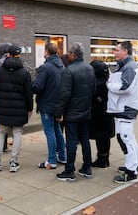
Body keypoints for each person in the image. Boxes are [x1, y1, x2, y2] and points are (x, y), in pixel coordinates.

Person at [0, 45, 33, 172]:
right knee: (17, 133)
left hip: (3, 107)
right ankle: (14, 162)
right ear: (19, 55)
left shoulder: (0, 70)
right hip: (20, 109)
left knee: (1, 132)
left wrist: (0, 95)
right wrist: (29, 108)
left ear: (8, 54)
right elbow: (28, 93)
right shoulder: (25, 72)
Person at [54, 42, 95, 181]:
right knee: (85, 139)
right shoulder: (90, 68)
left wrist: (58, 113)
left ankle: (69, 170)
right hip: (85, 110)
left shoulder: (69, 71)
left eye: (69, 53)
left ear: (72, 54)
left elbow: (63, 95)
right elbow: (93, 90)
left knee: (71, 141)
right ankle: (87, 167)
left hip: (72, 112)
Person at [107, 41, 138, 183]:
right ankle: (134, 165)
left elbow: (124, 87)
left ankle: (131, 171)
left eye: (117, 50)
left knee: (125, 138)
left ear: (125, 51)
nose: (115, 53)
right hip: (125, 108)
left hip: (126, 109)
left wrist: (109, 84)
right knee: (128, 138)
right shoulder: (127, 66)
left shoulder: (129, 67)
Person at [32, 43, 66, 169]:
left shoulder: (45, 67)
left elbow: (38, 87)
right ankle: (62, 156)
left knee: (50, 131)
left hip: (46, 104)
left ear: (46, 52)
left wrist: (32, 84)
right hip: (57, 105)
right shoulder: (62, 66)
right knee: (57, 130)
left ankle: (52, 160)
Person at [89, 60, 115, 168]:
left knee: (100, 137)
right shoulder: (108, 81)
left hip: (98, 114)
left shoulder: (96, 83)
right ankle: (104, 158)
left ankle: (101, 158)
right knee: (105, 137)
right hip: (108, 113)